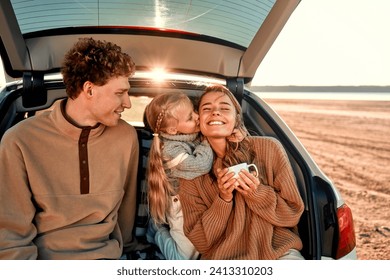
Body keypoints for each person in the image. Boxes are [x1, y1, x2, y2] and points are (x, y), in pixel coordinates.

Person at [0, 37, 139, 259]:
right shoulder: (19, 140)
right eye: (120, 93)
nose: (128, 103)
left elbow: (126, 215)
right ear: (89, 90)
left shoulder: (126, 136)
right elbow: (10, 235)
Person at [179, 84, 305, 260]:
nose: (215, 112)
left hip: (279, 254)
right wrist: (223, 199)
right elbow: (201, 242)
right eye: (207, 108)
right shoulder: (190, 172)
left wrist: (257, 193)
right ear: (198, 120)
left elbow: (292, 213)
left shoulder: (269, 148)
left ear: (236, 117)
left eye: (224, 108)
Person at [144, 92, 213, 260]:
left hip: (197, 201)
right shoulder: (169, 150)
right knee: (183, 259)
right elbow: (201, 164)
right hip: (179, 207)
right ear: (173, 129)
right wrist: (208, 139)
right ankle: (157, 232)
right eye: (190, 117)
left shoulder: (188, 135)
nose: (197, 117)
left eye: (195, 111)